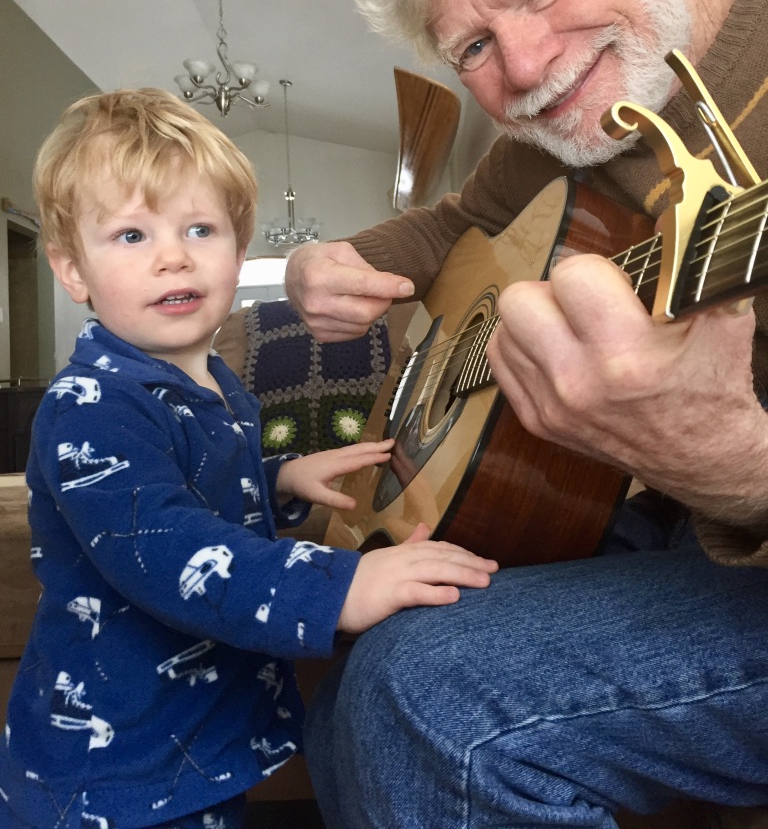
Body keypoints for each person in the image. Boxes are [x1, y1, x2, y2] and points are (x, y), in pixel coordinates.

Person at [286, 0, 768, 824]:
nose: (524, 68)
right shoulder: (542, 150)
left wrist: (729, 459)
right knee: (345, 648)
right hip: (660, 521)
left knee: (423, 694)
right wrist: (321, 267)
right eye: (471, 44)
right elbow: (451, 226)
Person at [0, 89, 497, 829]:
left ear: (239, 252)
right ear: (73, 271)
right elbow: (166, 545)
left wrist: (280, 478)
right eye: (131, 235)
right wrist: (342, 584)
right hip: (113, 773)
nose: (173, 256)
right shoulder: (90, 406)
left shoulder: (212, 381)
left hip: (195, 743)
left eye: (200, 229)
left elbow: (187, 482)